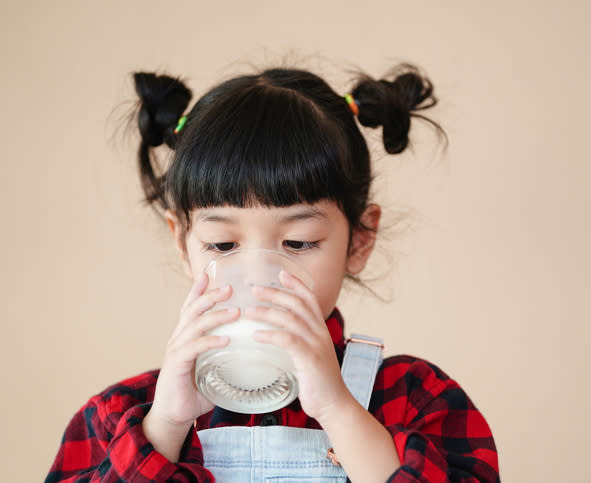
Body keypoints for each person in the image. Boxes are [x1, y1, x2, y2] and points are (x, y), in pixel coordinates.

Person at [45, 62, 500, 482]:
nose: (258, 277)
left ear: (359, 241)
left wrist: (340, 411)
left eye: (298, 243)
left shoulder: (416, 399)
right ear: (183, 244)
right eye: (223, 245)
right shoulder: (119, 417)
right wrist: (164, 427)